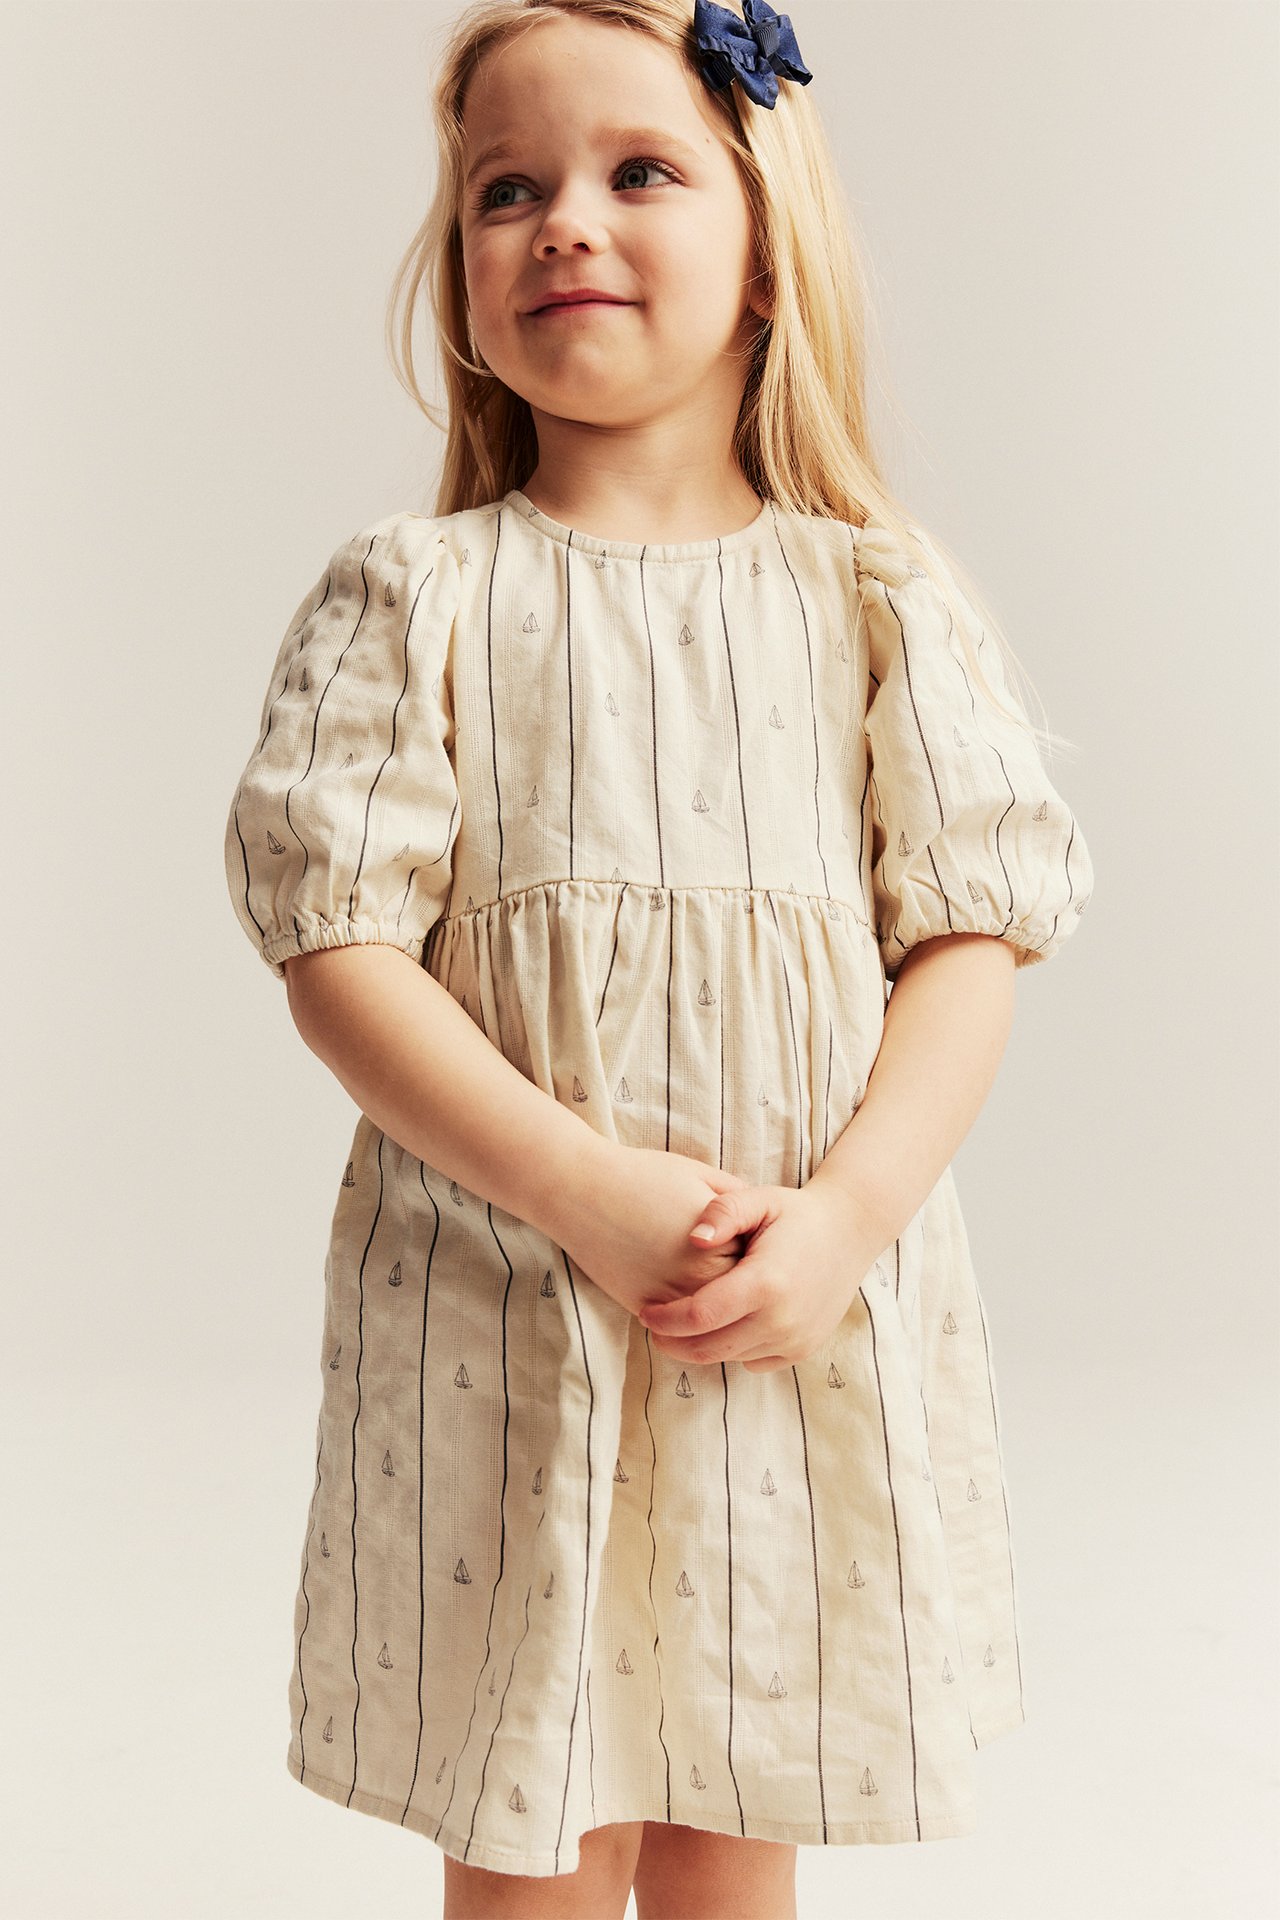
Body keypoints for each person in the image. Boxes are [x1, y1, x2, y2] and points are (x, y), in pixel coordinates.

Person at [221, 2, 1095, 1915]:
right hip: (506, 1309)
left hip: (780, 1304)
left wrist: (853, 1215)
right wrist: (589, 1194)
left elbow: (974, 933)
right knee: (542, 1808)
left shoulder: (875, 599)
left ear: (768, 239)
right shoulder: (425, 597)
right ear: (458, 273)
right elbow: (335, 945)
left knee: (730, 1779)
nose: (562, 224)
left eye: (640, 172)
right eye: (504, 192)